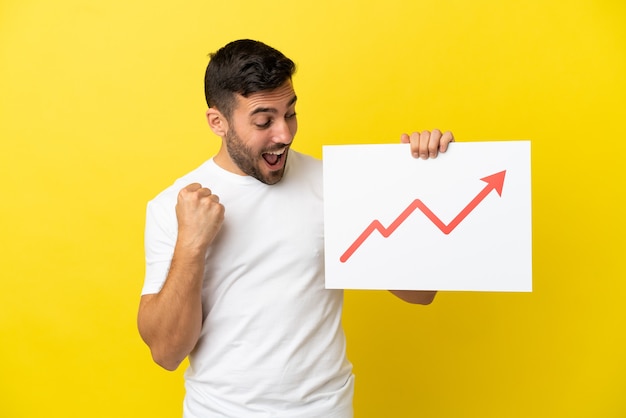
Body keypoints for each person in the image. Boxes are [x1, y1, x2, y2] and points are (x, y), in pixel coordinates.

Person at [137, 39, 454, 418]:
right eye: (263, 121)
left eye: (290, 113)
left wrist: (419, 181)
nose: (284, 134)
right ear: (217, 122)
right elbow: (166, 353)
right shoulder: (174, 207)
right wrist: (191, 244)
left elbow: (420, 292)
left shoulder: (333, 185)